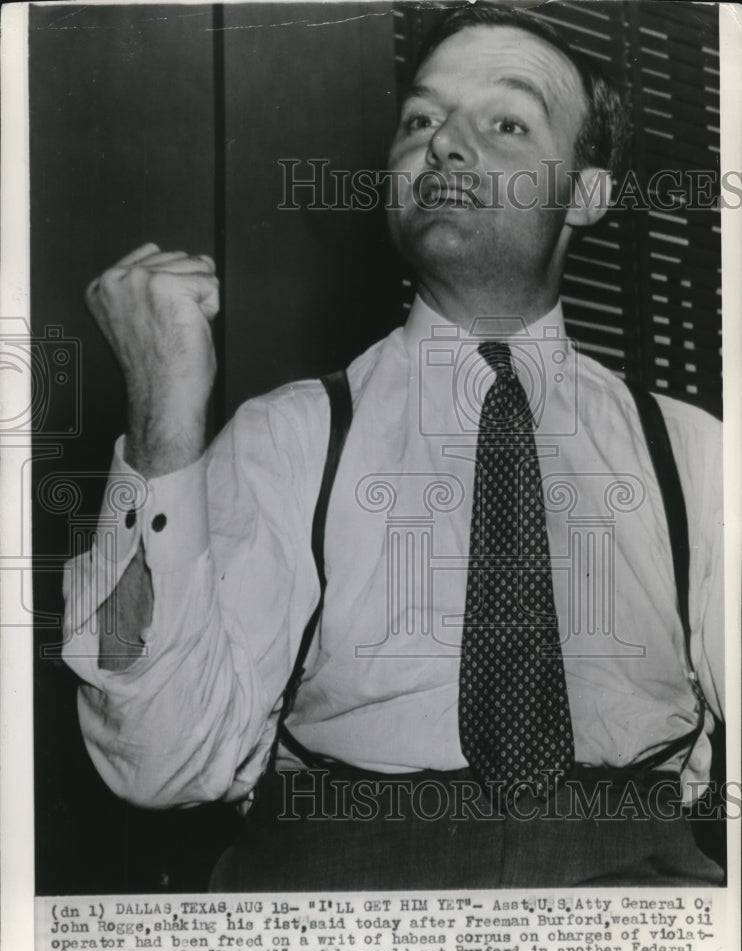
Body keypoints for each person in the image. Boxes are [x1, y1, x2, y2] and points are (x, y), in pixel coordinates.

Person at [62, 4, 724, 888]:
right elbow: (151, 760)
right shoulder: (287, 436)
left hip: (630, 897)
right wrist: (160, 433)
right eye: (420, 119)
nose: (445, 144)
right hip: (349, 900)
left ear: (589, 194)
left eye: (507, 122)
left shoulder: (695, 455)